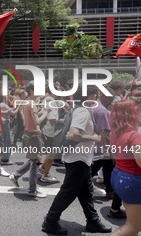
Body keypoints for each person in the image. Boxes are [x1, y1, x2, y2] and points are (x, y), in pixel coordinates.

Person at [42, 86, 111, 235]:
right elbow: (73, 135)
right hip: (77, 158)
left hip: (81, 158)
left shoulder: (81, 110)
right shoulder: (82, 112)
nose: (97, 98)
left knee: (86, 192)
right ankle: (50, 221)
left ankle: (93, 221)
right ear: (91, 96)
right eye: (96, 95)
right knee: (68, 192)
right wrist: (93, 138)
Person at [8, 83, 48, 198]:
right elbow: (37, 122)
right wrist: (46, 112)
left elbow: (28, 120)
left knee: (33, 159)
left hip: (29, 134)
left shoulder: (27, 103)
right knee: (35, 162)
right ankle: (32, 190)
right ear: (31, 91)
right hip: (34, 135)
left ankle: (16, 175)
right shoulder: (32, 104)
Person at [109, 100, 141, 236]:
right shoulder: (134, 135)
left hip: (119, 175)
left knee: (132, 222)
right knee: (133, 227)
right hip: (132, 179)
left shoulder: (114, 133)